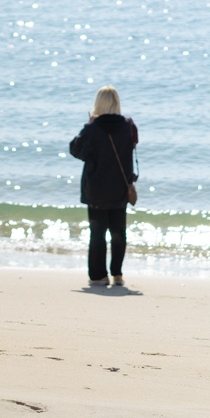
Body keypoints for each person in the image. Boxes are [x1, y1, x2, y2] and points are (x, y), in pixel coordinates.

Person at [69, 85, 138, 288]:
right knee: (118, 232)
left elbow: (75, 150)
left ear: (98, 103)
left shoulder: (92, 128)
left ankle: (99, 276)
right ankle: (117, 274)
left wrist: (89, 125)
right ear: (117, 103)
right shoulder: (128, 125)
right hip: (120, 186)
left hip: (96, 188)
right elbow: (132, 147)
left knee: (97, 232)